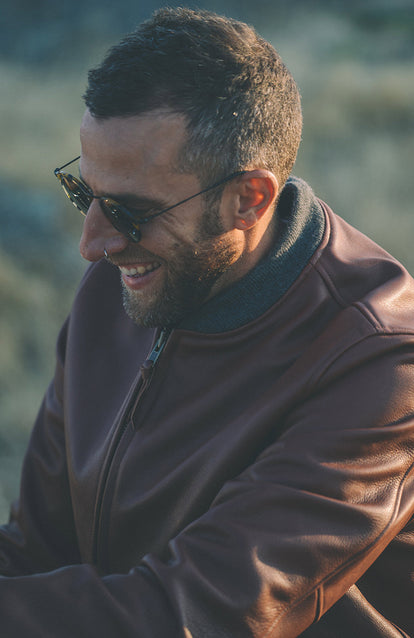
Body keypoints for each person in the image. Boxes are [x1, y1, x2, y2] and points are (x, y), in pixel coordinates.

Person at [1, 7, 413, 637]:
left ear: (249, 198)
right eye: (84, 195)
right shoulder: (118, 286)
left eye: (131, 211)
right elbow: (36, 552)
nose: (92, 244)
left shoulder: (377, 361)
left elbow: (199, 615)